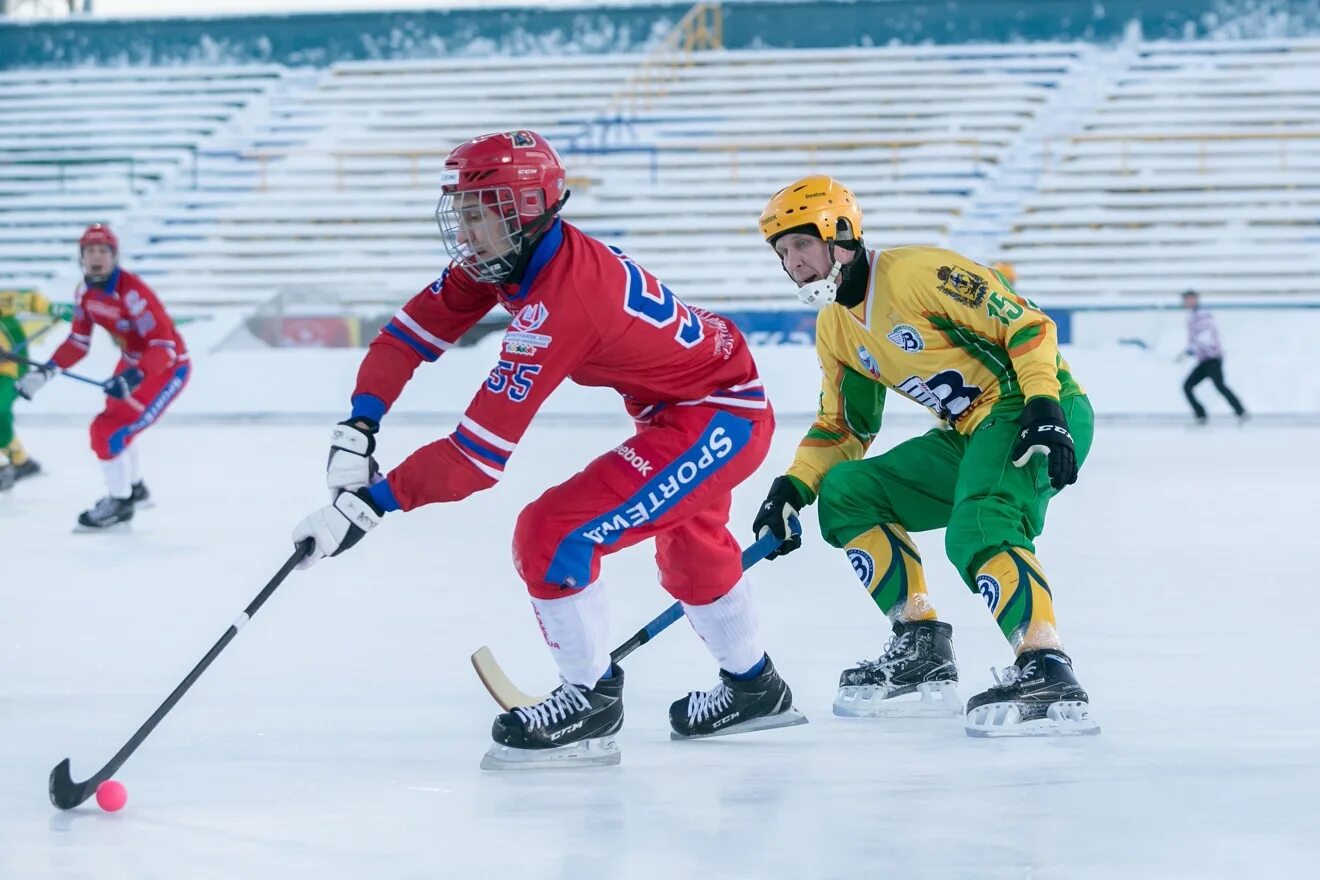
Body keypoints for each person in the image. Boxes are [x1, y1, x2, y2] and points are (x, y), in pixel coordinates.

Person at [290, 130, 806, 768]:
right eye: (463, 216)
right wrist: (358, 426)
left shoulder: (562, 301)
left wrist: (369, 505)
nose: (467, 233)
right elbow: (408, 335)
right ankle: (756, 688)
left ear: (524, 209)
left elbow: (474, 460)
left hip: (718, 415)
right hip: (691, 405)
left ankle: (589, 704)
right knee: (691, 548)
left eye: (480, 216)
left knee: (553, 533)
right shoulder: (517, 256)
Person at [751, 175, 1098, 736]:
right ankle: (919, 644)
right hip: (968, 432)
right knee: (847, 493)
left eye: (802, 244)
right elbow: (845, 424)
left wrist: (1041, 399)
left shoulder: (919, 274)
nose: (794, 262)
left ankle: (1045, 664)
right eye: (783, 251)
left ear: (841, 235)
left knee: (979, 522)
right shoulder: (835, 327)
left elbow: (1027, 324)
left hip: (1031, 408)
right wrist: (794, 486)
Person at [17, 224, 190, 529]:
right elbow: (77, 343)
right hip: (133, 364)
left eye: (103, 251)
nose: (96, 257)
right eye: (90, 251)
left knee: (107, 431)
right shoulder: (85, 293)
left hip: (166, 368)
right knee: (115, 423)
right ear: (81, 257)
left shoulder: (133, 293)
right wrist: (45, 373)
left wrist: (134, 378)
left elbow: (164, 348)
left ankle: (120, 502)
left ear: (114, 256)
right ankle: (134, 489)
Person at [0, 289, 74, 488]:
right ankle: (21, 462)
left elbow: (29, 300)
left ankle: (17, 462)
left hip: (11, 368)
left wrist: (55, 308)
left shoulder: (2, 299)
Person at [1179, 289, 1246, 425]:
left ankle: (1240, 411)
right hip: (1204, 361)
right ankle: (1201, 414)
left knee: (1220, 386)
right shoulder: (1193, 316)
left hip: (1212, 359)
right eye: (1186, 299)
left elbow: (1206, 337)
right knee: (1188, 386)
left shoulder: (1203, 316)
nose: (1187, 302)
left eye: (1190, 298)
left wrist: (1192, 349)